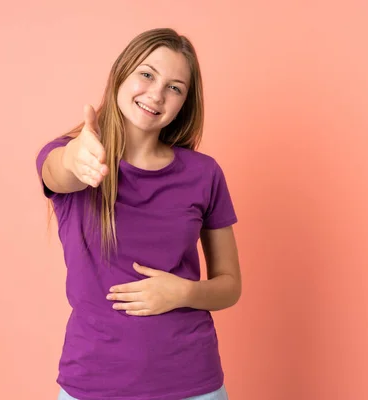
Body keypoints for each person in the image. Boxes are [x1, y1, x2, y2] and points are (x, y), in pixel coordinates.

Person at [36, 28, 241, 400]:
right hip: (94, 384)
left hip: (192, 383)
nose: (156, 94)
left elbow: (230, 285)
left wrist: (183, 292)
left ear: (184, 104)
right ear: (121, 73)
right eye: (147, 74)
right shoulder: (75, 156)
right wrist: (76, 158)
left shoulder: (204, 173)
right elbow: (58, 171)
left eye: (175, 87)